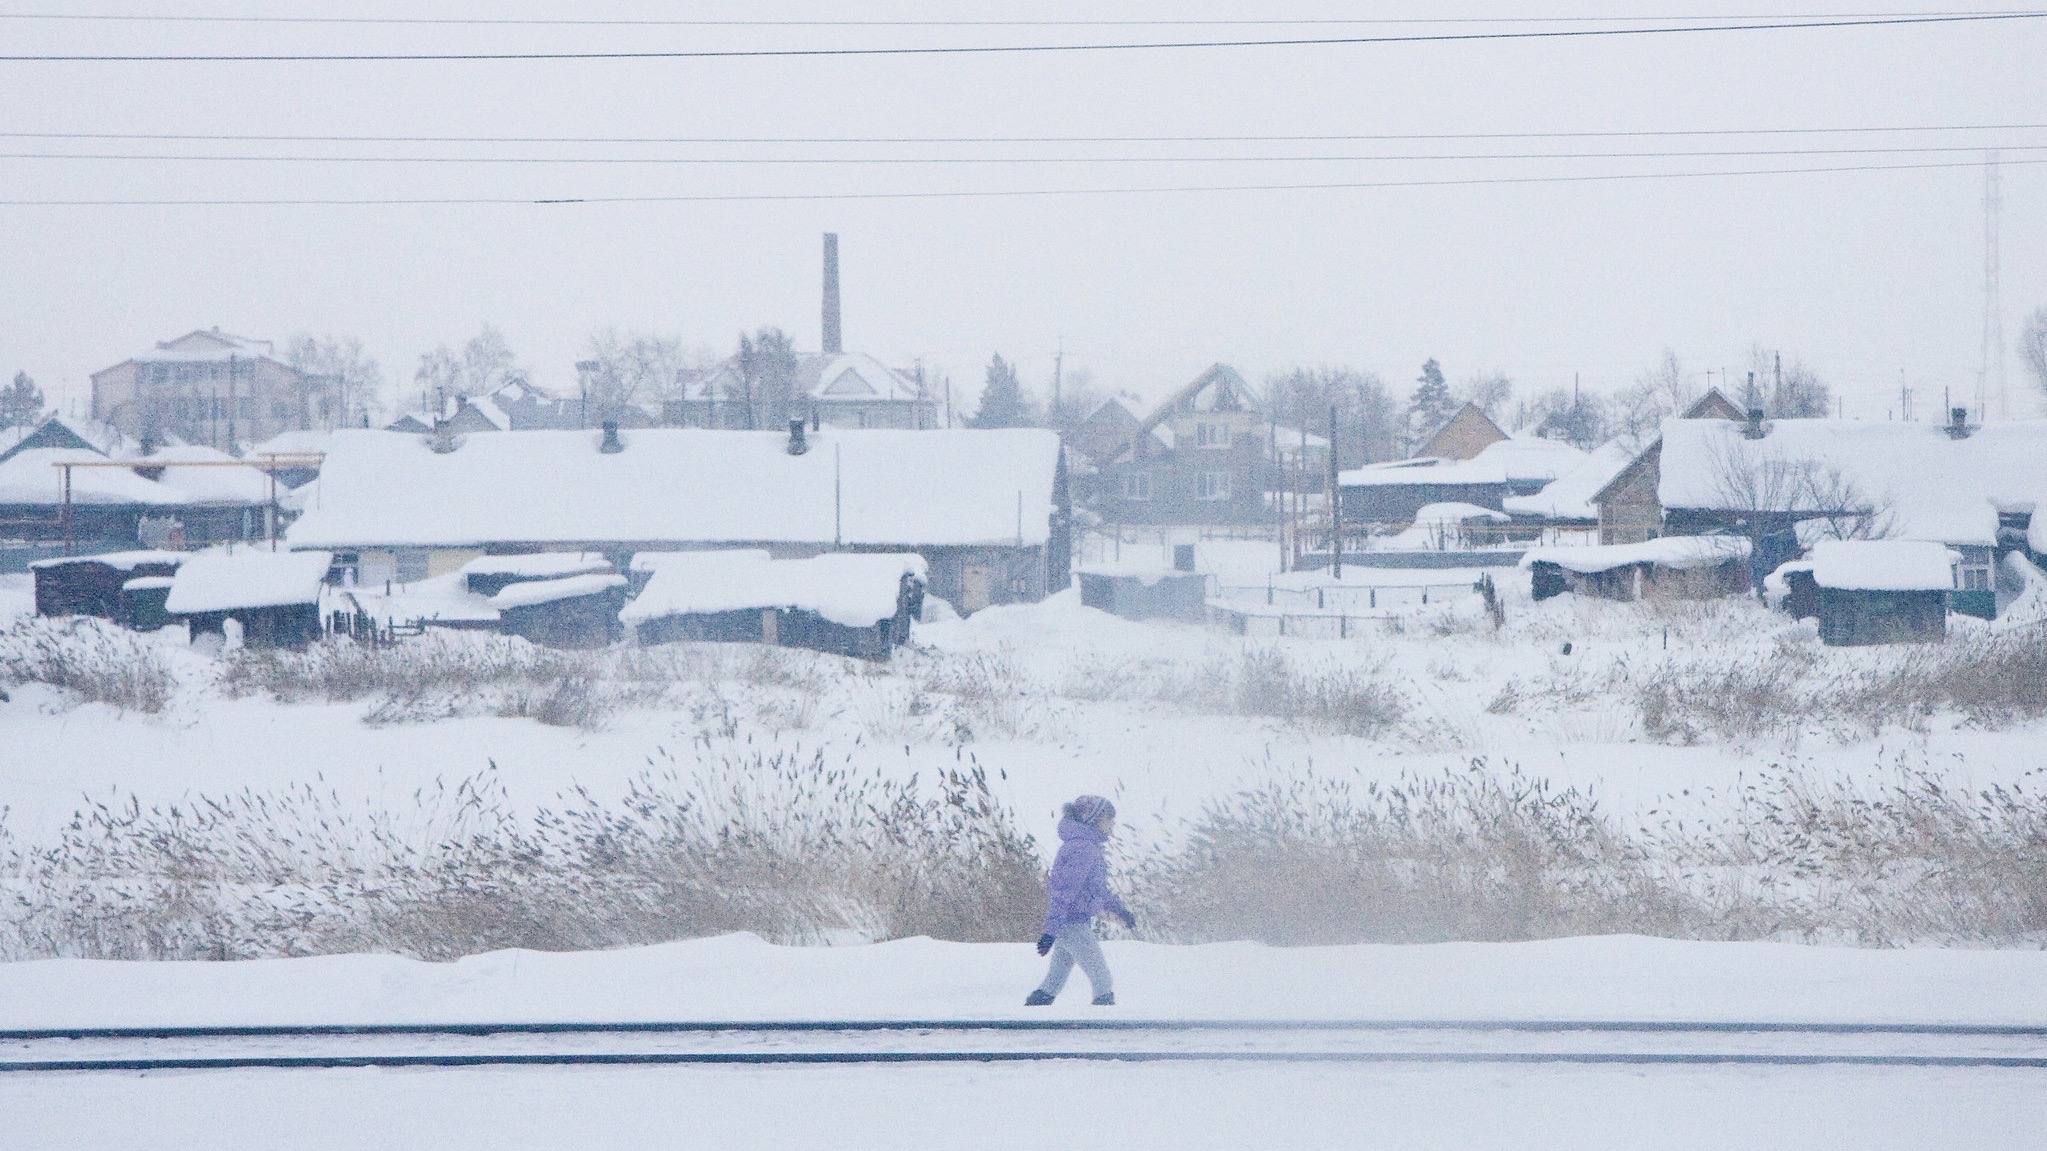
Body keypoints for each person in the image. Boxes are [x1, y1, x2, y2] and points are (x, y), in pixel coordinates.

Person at [1026, 795, 1135, 1007]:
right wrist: (1051, 930)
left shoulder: (1088, 847)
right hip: (1073, 925)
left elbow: (1097, 891)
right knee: (1102, 979)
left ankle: (1031, 1015)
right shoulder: (1082, 849)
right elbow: (1064, 892)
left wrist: (1120, 911)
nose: (1113, 824)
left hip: (1072, 924)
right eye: (1109, 819)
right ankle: (1103, 1025)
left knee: (1053, 981)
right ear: (1093, 820)